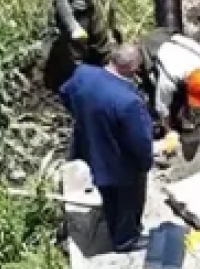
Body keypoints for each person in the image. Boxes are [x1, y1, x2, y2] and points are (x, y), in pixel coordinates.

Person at [59, 44, 154, 253]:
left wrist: (84, 119)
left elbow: (65, 93)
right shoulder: (128, 101)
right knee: (127, 201)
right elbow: (140, 142)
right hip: (118, 163)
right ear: (131, 68)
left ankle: (113, 222)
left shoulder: (83, 73)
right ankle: (125, 240)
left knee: (108, 193)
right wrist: (145, 164)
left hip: (91, 147)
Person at [136, 29, 200, 152]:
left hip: (175, 43)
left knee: (181, 101)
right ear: (186, 82)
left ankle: (184, 116)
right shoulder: (168, 80)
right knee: (153, 93)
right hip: (152, 48)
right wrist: (169, 132)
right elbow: (162, 107)